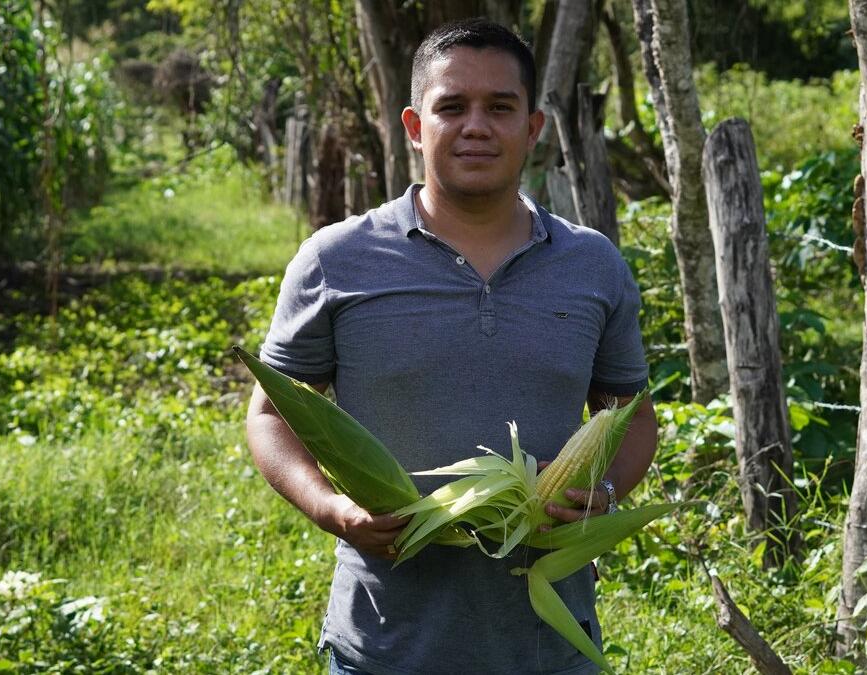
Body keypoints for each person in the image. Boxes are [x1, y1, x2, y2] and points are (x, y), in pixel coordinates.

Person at [245, 18, 658, 675]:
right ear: (414, 126)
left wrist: (602, 493)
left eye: (500, 107)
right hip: (383, 647)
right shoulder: (336, 259)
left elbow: (633, 415)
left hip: (549, 649)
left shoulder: (592, 265)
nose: (476, 126)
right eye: (451, 106)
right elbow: (270, 415)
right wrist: (334, 509)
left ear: (533, 128)